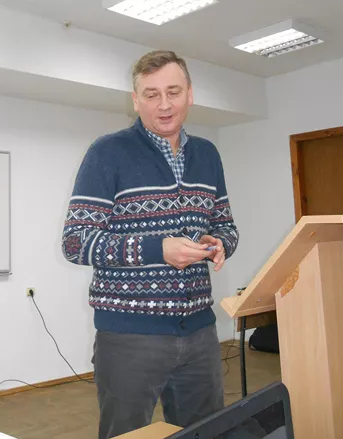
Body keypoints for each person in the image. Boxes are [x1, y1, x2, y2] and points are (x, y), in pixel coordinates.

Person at [61, 50, 239, 439]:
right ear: (135, 100)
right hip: (129, 337)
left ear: (190, 94)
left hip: (200, 331)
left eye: (173, 92)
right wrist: (159, 249)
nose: (164, 105)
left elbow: (225, 225)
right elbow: (76, 242)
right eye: (151, 94)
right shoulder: (107, 152)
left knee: (207, 432)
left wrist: (219, 242)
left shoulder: (208, 154)